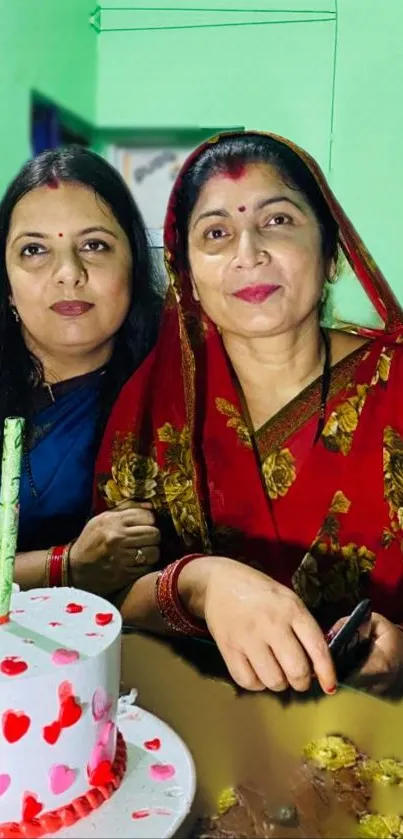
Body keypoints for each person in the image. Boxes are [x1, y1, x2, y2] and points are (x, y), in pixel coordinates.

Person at [95, 131, 403, 698]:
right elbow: (105, 599)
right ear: (186, 271)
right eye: (216, 233)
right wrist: (200, 584)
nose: (248, 253)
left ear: (334, 253)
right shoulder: (153, 402)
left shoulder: (396, 387)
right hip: (197, 740)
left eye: (278, 221)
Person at [0, 146, 162, 596]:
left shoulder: (175, 384)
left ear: (132, 263)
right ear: (7, 286)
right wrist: (65, 565)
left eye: (94, 245)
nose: (68, 273)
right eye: (34, 250)